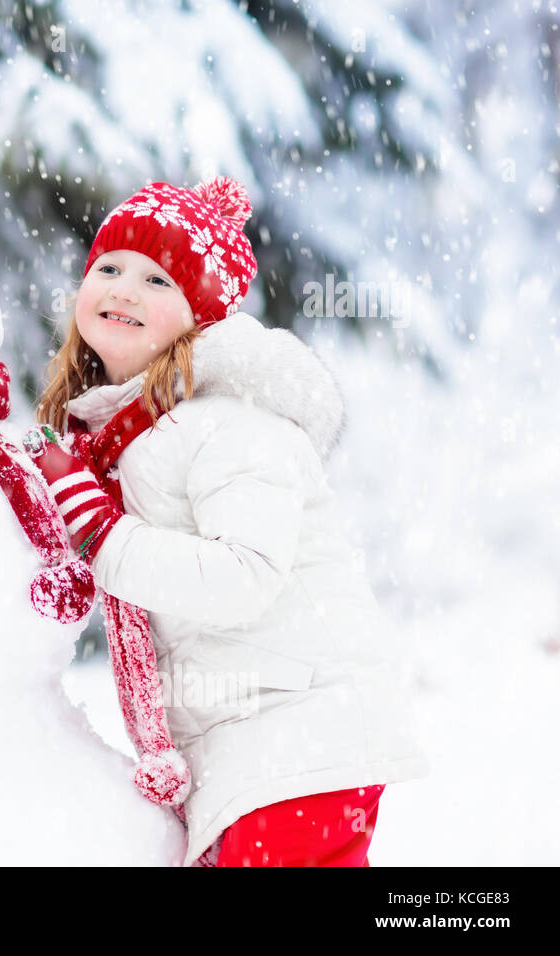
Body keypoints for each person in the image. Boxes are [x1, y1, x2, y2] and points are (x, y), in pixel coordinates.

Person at [28, 177, 428, 866]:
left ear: (200, 316)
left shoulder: (231, 420)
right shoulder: (134, 437)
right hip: (259, 753)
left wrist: (100, 531)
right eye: (109, 268)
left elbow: (246, 575)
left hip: (294, 742)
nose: (124, 289)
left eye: (158, 280)